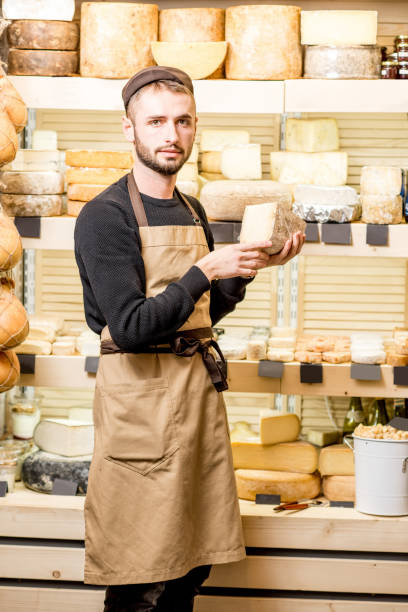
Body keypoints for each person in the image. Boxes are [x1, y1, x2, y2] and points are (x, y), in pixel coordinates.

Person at [74, 65, 305, 612]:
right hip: (141, 410)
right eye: (155, 121)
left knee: (188, 568)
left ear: (194, 127)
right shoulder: (104, 217)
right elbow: (129, 328)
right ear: (130, 130)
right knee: (143, 575)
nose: (170, 134)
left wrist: (245, 271)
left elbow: (202, 313)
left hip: (195, 400)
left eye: (182, 121)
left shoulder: (192, 208)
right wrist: (205, 268)